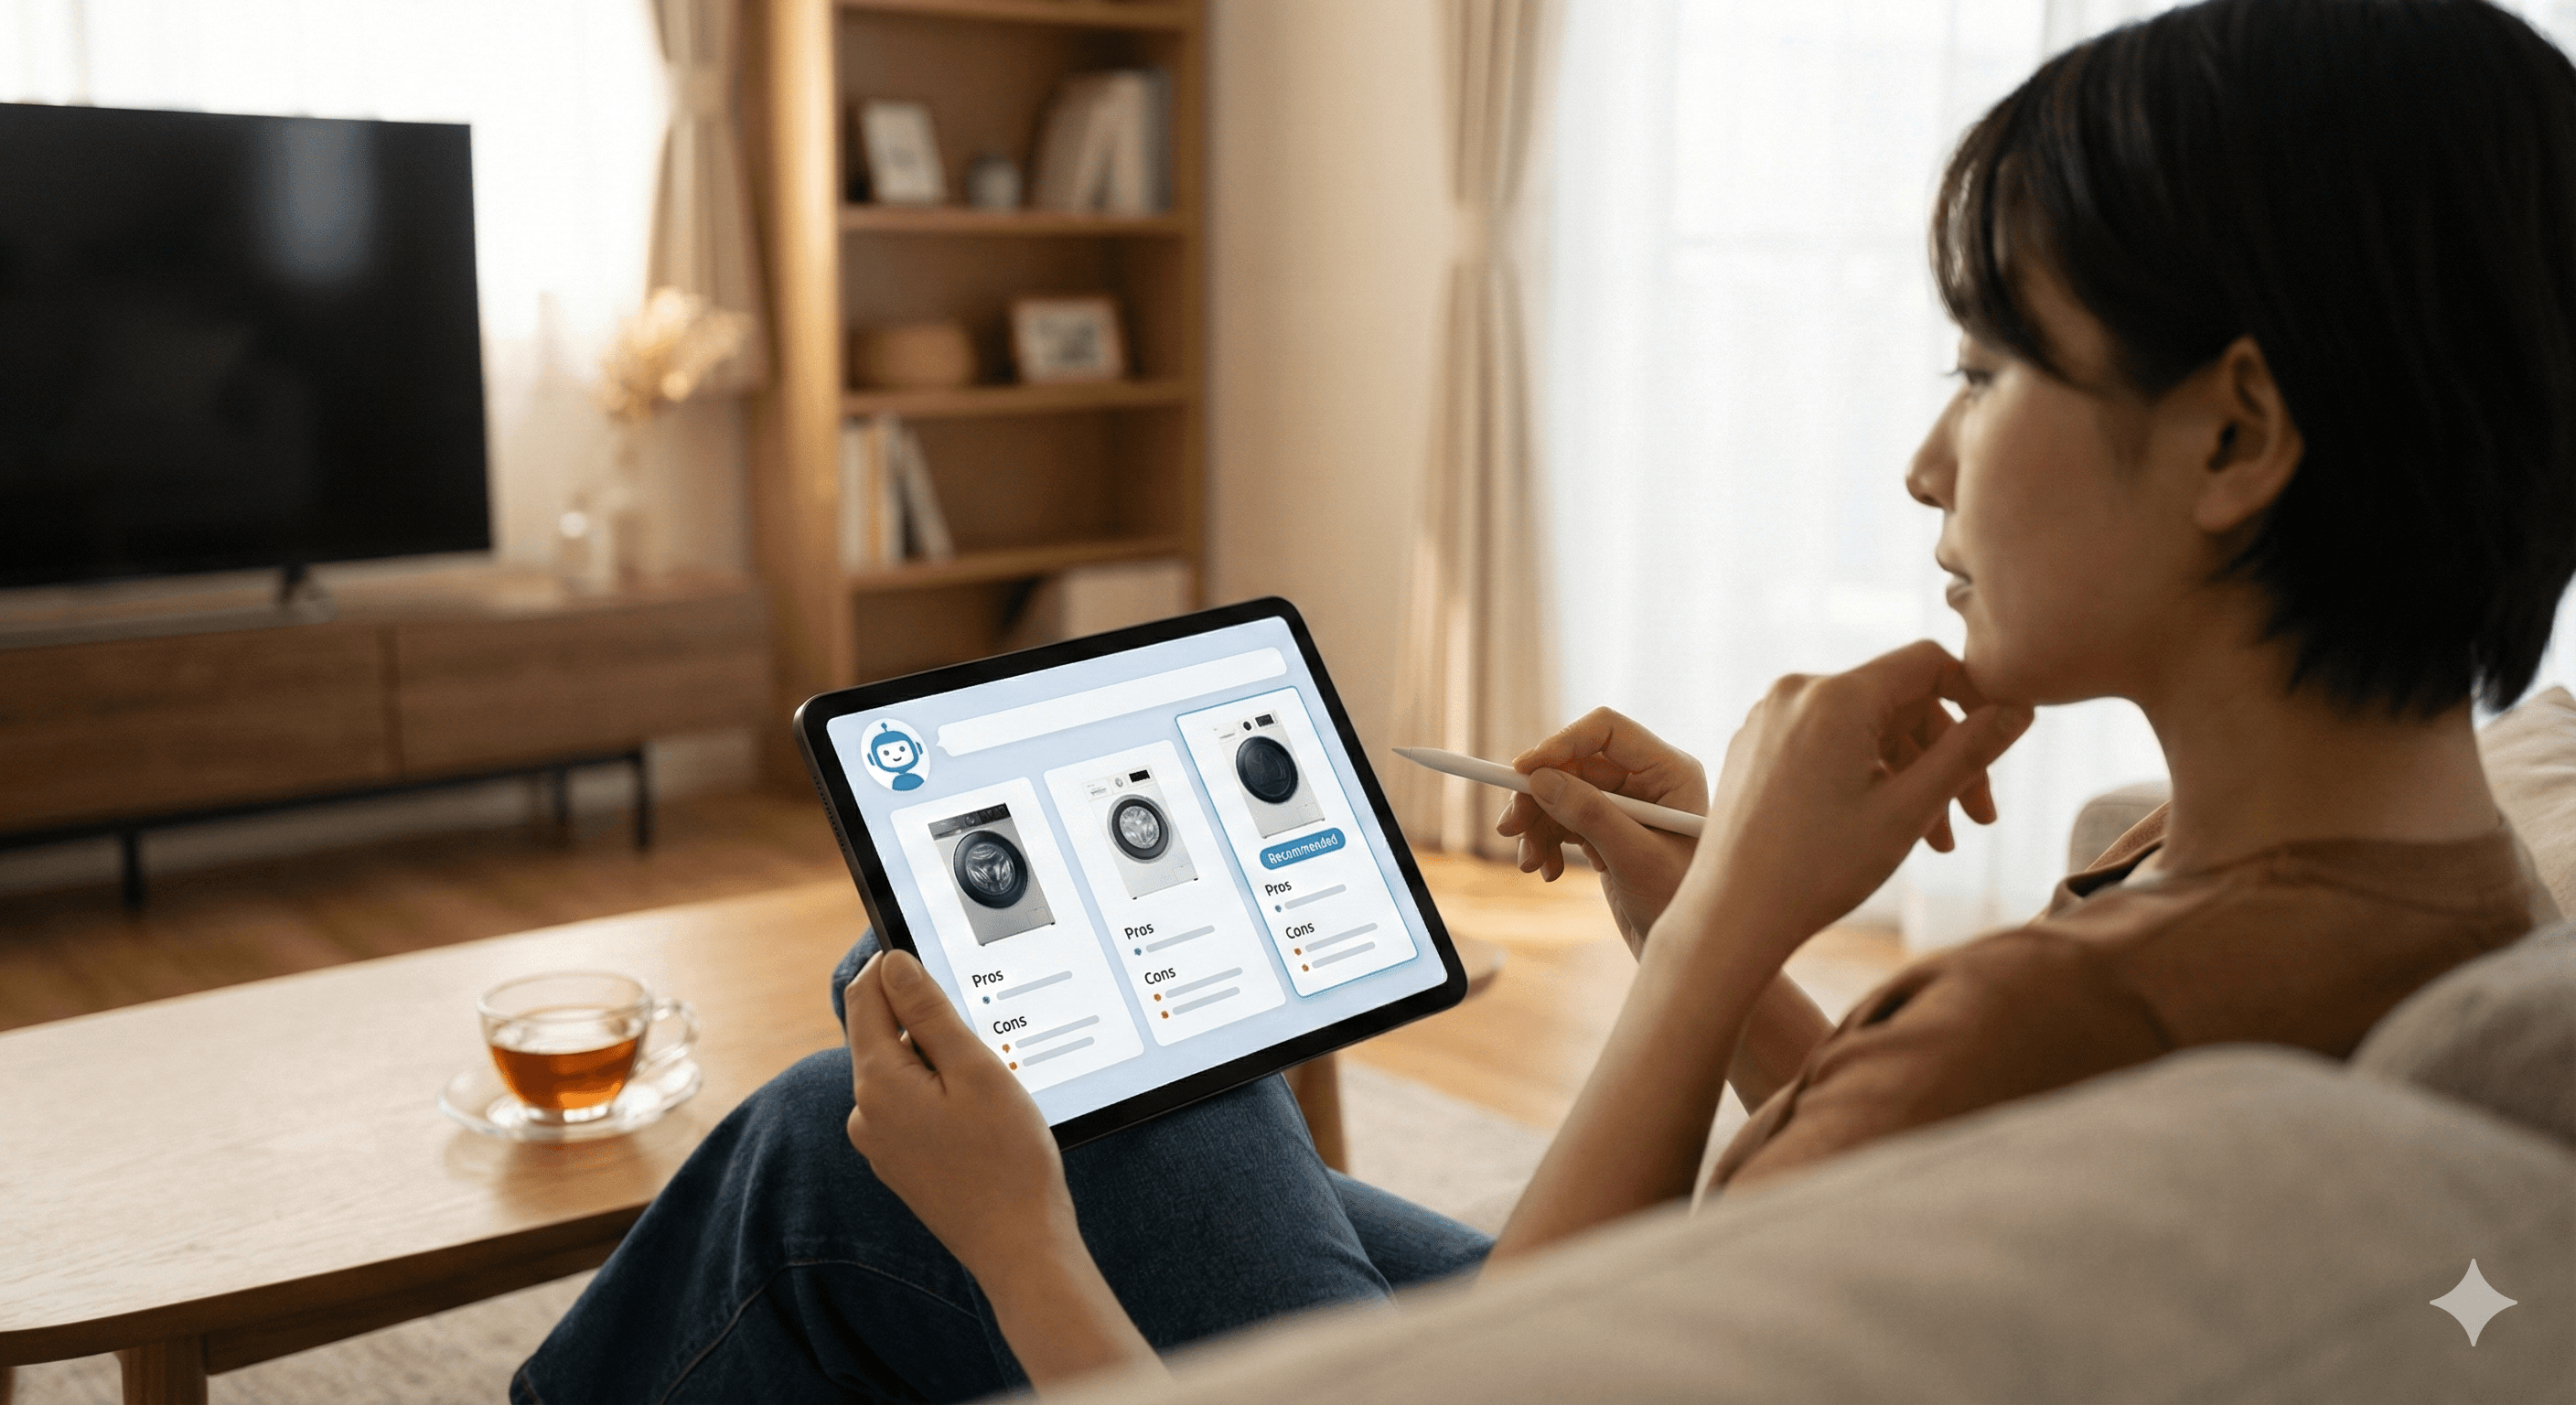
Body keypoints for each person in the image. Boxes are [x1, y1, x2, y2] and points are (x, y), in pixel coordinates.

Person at [513, 1, 2576, 1399]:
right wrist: (1711, 912)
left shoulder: (2073, 1006)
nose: (1926, 464)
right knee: (1170, 1067)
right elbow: (1921, 1180)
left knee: (854, 1147)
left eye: (1983, 363)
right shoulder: (2423, 909)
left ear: (2236, 438)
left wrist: (1026, 1256)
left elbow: (1550, 1350)